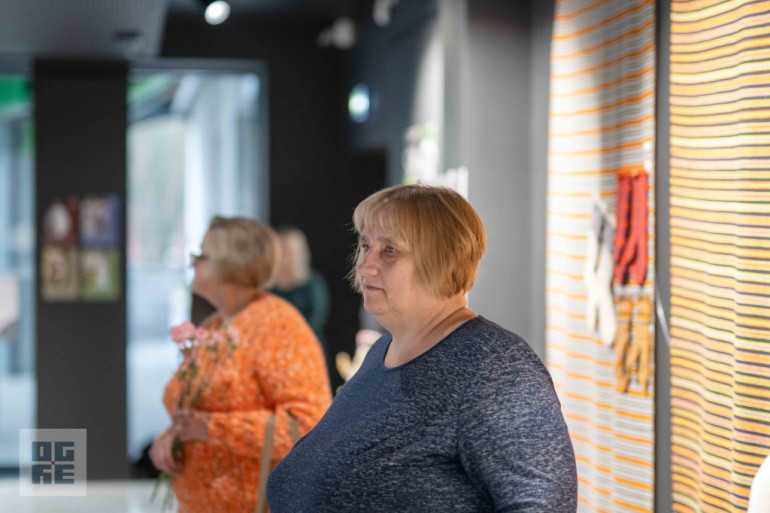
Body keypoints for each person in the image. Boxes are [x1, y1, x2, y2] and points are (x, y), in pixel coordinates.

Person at [266, 184, 578, 512]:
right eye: (366, 245)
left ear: (442, 260)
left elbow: (544, 506)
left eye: (390, 250)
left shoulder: (497, 369)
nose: (365, 266)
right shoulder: (382, 353)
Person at [149, 216, 332, 513]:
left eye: (201, 256)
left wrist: (212, 428)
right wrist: (169, 438)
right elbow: (193, 414)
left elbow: (307, 426)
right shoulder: (213, 325)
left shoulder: (278, 325)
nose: (192, 262)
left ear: (230, 264)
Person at [271, 226, 331, 348]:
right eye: (279, 249)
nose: (283, 254)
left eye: (287, 249)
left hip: (306, 346)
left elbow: (316, 319)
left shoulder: (313, 283)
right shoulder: (268, 285)